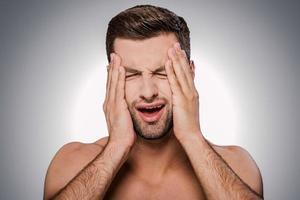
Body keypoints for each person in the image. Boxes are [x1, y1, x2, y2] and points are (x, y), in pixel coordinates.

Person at [43, 4, 263, 200]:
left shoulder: (236, 166)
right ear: (112, 79)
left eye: (162, 73)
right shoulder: (72, 163)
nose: (148, 92)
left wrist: (192, 137)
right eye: (131, 74)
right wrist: (116, 147)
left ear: (190, 73)